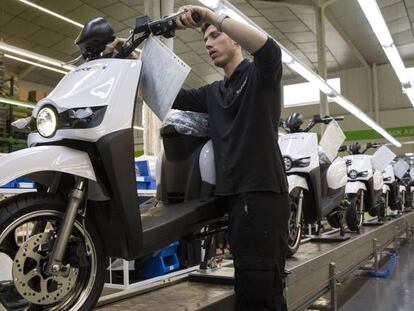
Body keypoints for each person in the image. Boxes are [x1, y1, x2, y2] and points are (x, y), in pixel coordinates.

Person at [173, 5, 290, 311]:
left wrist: (211, 14)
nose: (209, 43)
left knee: (262, 293)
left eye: (215, 36)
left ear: (236, 40)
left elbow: (269, 48)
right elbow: (171, 93)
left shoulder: (260, 76)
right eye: (205, 40)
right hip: (237, 200)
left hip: (262, 196)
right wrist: (131, 58)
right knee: (250, 290)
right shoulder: (214, 92)